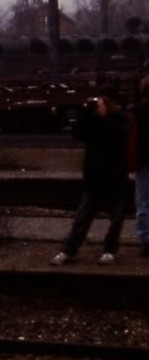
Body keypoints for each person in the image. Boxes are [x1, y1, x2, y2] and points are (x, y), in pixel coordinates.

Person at [52, 88, 132, 265]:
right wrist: (88, 112)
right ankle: (69, 250)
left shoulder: (121, 119)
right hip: (96, 176)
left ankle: (109, 250)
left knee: (115, 217)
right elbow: (78, 133)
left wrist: (104, 117)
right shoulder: (94, 119)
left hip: (114, 175)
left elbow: (120, 135)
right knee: (84, 216)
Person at [133, 75, 149, 259]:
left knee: (143, 202)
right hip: (144, 159)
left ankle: (146, 239)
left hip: (143, 160)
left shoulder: (137, 111)